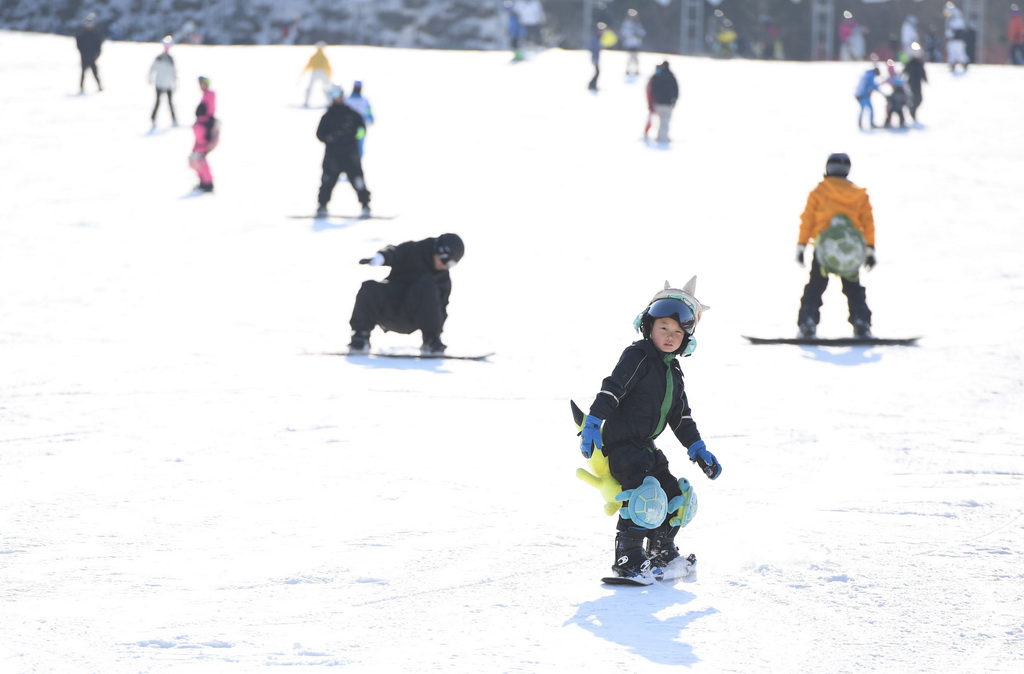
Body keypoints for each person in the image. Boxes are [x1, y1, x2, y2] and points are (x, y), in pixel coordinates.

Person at [577, 278, 721, 584]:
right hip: (623, 446)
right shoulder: (638, 355)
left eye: (678, 331)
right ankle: (628, 559)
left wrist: (697, 448)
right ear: (649, 326)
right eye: (664, 327)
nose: (670, 336)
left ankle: (661, 552)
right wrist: (593, 422)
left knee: (677, 496)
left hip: (645, 447)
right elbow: (612, 389)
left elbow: (680, 416)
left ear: (687, 338)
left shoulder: (673, 371)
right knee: (645, 496)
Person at [795, 153, 876, 338]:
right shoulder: (859, 194)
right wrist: (870, 249)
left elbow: (807, 220)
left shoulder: (819, 192)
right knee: (853, 288)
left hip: (825, 249)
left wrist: (801, 246)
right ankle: (861, 323)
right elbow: (868, 223)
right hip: (851, 251)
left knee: (815, 287)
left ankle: (807, 323)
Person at [348, 233, 465, 356]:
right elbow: (394, 252)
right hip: (390, 308)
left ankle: (430, 340)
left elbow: (441, 308)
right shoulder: (413, 250)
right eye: (445, 260)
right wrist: (382, 257)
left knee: (427, 286)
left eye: (451, 264)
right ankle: (360, 336)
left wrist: (436, 334)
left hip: (413, 317)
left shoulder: (443, 279)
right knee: (369, 287)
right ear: (438, 250)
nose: (445, 266)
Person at [315, 85, 371, 217]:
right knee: (327, 182)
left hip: (350, 155)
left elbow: (362, 130)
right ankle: (322, 206)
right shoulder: (328, 116)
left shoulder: (352, 114)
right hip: (332, 156)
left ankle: (365, 205)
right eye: (333, 95)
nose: (337, 98)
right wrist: (330, 137)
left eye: (338, 94)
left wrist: (352, 135)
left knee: (358, 180)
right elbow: (319, 134)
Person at [189, 76, 218, 192]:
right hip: (199, 131)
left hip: (204, 131)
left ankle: (208, 183)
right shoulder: (205, 95)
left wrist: (208, 127)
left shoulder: (210, 95)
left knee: (200, 157)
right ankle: (203, 181)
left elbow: (209, 111)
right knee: (195, 158)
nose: (201, 86)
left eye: (203, 83)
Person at [148, 36, 178, 128]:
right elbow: (152, 69)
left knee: (170, 103)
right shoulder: (159, 58)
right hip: (159, 83)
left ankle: (174, 119)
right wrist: (150, 79)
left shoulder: (170, 59)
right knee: (158, 102)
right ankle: (153, 119)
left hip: (168, 84)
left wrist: (175, 82)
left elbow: (173, 72)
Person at [648, 60, 678, 145]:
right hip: (668, 103)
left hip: (658, 103)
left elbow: (652, 89)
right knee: (665, 122)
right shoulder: (671, 76)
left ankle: (660, 138)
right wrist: (674, 100)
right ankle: (663, 138)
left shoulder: (657, 76)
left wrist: (652, 101)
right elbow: (676, 90)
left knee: (660, 121)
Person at [345, 81, 375, 157]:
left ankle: (358, 158)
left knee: (360, 142)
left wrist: (371, 118)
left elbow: (368, 110)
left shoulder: (364, 100)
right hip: (349, 126)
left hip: (360, 126)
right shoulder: (347, 99)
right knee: (349, 142)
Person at [75, 13, 104, 93]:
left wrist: (96, 55)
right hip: (84, 57)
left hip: (92, 57)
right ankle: (81, 88)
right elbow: (79, 45)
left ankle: (99, 86)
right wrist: (83, 53)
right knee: (83, 73)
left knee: (95, 73)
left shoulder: (95, 35)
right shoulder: (81, 35)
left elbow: (98, 46)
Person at [302, 42, 332, 108]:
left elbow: (308, 65)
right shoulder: (324, 57)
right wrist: (329, 75)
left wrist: (303, 72)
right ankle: (330, 102)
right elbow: (328, 67)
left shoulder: (314, 56)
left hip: (315, 72)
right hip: (323, 73)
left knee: (310, 88)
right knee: (325, 88)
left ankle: (306, 102)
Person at [902, 45, 928, 121]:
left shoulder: (918, 64)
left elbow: (922, 73)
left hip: (916, 83)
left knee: (918, 99)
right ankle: (912, 111)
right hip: (911, 83)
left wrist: (926, 80)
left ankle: (913, 110)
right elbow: (904, 72)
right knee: (914, 98)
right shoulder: (910, 63)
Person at [620, 9, 646, 77]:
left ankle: (636, 70)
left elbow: (642, 32)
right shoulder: (627, 24)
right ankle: (628, 70)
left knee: (636, 58)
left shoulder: (637, 24)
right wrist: (632, 34)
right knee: (629, 57)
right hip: (629, 44)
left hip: (636, 44)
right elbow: (624, 32)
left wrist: (638, 35)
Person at [944, 2, 969, 72]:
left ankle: (963, 64)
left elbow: (953, 30)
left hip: (957, 40)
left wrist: (949, 35)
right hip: (954, 40)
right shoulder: (951, 18)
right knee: (953, 53)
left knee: (958, 53)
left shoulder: (956, 19)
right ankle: (953, 64)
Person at [882, 62, 908, 128]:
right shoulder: (892, 77)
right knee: (896, 109)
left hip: (899, 95)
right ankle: (898, 122)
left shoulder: (896, 77)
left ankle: (897, 122)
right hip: (897, 95)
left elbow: (903, 86)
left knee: (894, 109)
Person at [855, 65, 881, 130]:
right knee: (869, 109)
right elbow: (872, 85)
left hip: (859, 94)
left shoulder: (867, 74)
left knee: (863, 109)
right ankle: (870, 123)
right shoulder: (870, 76)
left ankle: (860, 123)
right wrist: (880, 91)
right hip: (863, 95)